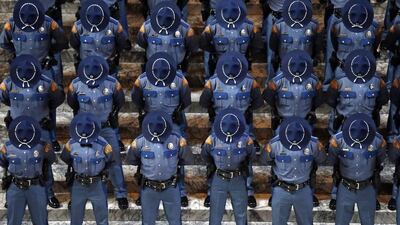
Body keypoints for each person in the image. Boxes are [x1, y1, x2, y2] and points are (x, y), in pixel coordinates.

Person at [0, 0, 68, 156]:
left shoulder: (48, 22)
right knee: (20, 102)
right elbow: (3, 42)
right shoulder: (12, 24)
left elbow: (62, 40)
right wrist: (16, 55)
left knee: (48, 103)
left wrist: (51, 53)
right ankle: (21, 135)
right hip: (21, 72)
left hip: (43, 69)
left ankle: (51, 137)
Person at [325, 49, 388, 209]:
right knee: (340, 162)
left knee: (371, 161)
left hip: (368, 128)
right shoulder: (339, 81)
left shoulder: (377, 82)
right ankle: (335, 194)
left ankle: (371, 195)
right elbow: (332, 101)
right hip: (345, 126)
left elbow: (382, 100)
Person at [199, 51, 263, 208]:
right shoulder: (212, 82)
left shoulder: (249, 82)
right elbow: (204, 102)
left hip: (242, 128)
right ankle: (210, 191)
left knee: (245, 159)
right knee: (214, 161)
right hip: (219, 127)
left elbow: (257, 102)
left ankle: (248, 192)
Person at [0, 54, 65, 208]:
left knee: (45, 162)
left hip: (40, 128)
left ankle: (48, 193)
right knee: (13, 162)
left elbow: (57, 99)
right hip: (18, 130)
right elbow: (4, 99)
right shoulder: (8, 84)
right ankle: (11, 196)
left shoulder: (47, 83)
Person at [262, 50, 324, 206]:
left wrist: (310, 112)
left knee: (308, 160)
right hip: (283, 125)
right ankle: (275, 191)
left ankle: (310, 192)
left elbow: (319, 99)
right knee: (278, 159)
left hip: (305, 126)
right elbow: (268, 96)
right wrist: (276, 111)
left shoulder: (313, 81)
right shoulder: (279, 81)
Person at [67, 55, 128, 209]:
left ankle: (121, 194)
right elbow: (73, 103)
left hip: (105, 127)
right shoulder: (76, 85)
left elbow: (119, 102)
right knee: (79, 161)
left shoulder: (112, 83)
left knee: (114, 160)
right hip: (83, 130)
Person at [131, 52, 191, 206]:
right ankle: (143, 192)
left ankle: (181, 191)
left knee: (177, 158)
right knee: (146, 158)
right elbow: (136, 99)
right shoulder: (142, 80)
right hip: (150, 126)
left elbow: (186, 100)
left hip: (173, 124)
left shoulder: (179, 80)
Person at [127, 111, 193, 225]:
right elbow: (132, 159)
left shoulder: (176, 140)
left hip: (171, 187)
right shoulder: (140, 141)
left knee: (175, 221)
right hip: (149, 188)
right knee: (147, 222)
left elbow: (186, 159)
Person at [262, 116, 327, 225]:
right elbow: (264, 161)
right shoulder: (275, 144)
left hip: (303, 190)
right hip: (281, 190)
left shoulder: (313, 143)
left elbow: (322, 160)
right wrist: (266, 151)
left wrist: (321, 149)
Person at [329, 113, 386, 225]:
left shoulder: (377, 140)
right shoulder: (338, 140)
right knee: (340, 222)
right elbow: (332, 160)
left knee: (368, 221)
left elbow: (380, 159)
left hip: (367, 187)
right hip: (346, 187)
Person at [201, 107, 255, 225]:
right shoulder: (213, 139)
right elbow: (205, 156)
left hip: (238, 178)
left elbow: (251, 156)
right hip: (219, 179)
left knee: (241, 215)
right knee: (215, 215)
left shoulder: (245, 139)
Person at [0, 115, 56, 225]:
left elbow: (51, 159)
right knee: (13, 221)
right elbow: (3, 162)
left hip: (36, 187)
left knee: (41, 220)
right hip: (15, 187)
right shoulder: (8, 147)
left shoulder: (42, 145)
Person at [60, 113, 113, 225]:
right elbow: (66, 158)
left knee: (102, 218)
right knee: (75, 218)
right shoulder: (72, 143)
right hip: (79, 184)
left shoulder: (103, 144)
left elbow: (110, 160)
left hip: (97, 184)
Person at [324, 0, 381, 89]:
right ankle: (329, 86)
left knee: (364, 50)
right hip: (338, 14)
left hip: (361, 14)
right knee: (332, 53)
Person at [199, 0, 259, 78]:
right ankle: (209, 79)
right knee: (208, 52)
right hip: (214, 15)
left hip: (236, 16)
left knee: (241, 45)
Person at [136, 1, 197, 75]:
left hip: (176, 73)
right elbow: (142, 42)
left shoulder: (184, 28)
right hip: (154, 73)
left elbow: (192, 47)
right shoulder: (147, 27)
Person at [268, 0, 322, 76]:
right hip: (284, 70)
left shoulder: (313, 26)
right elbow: (273, 47)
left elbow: (317, 47)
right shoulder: (278, 26)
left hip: (306, 70)